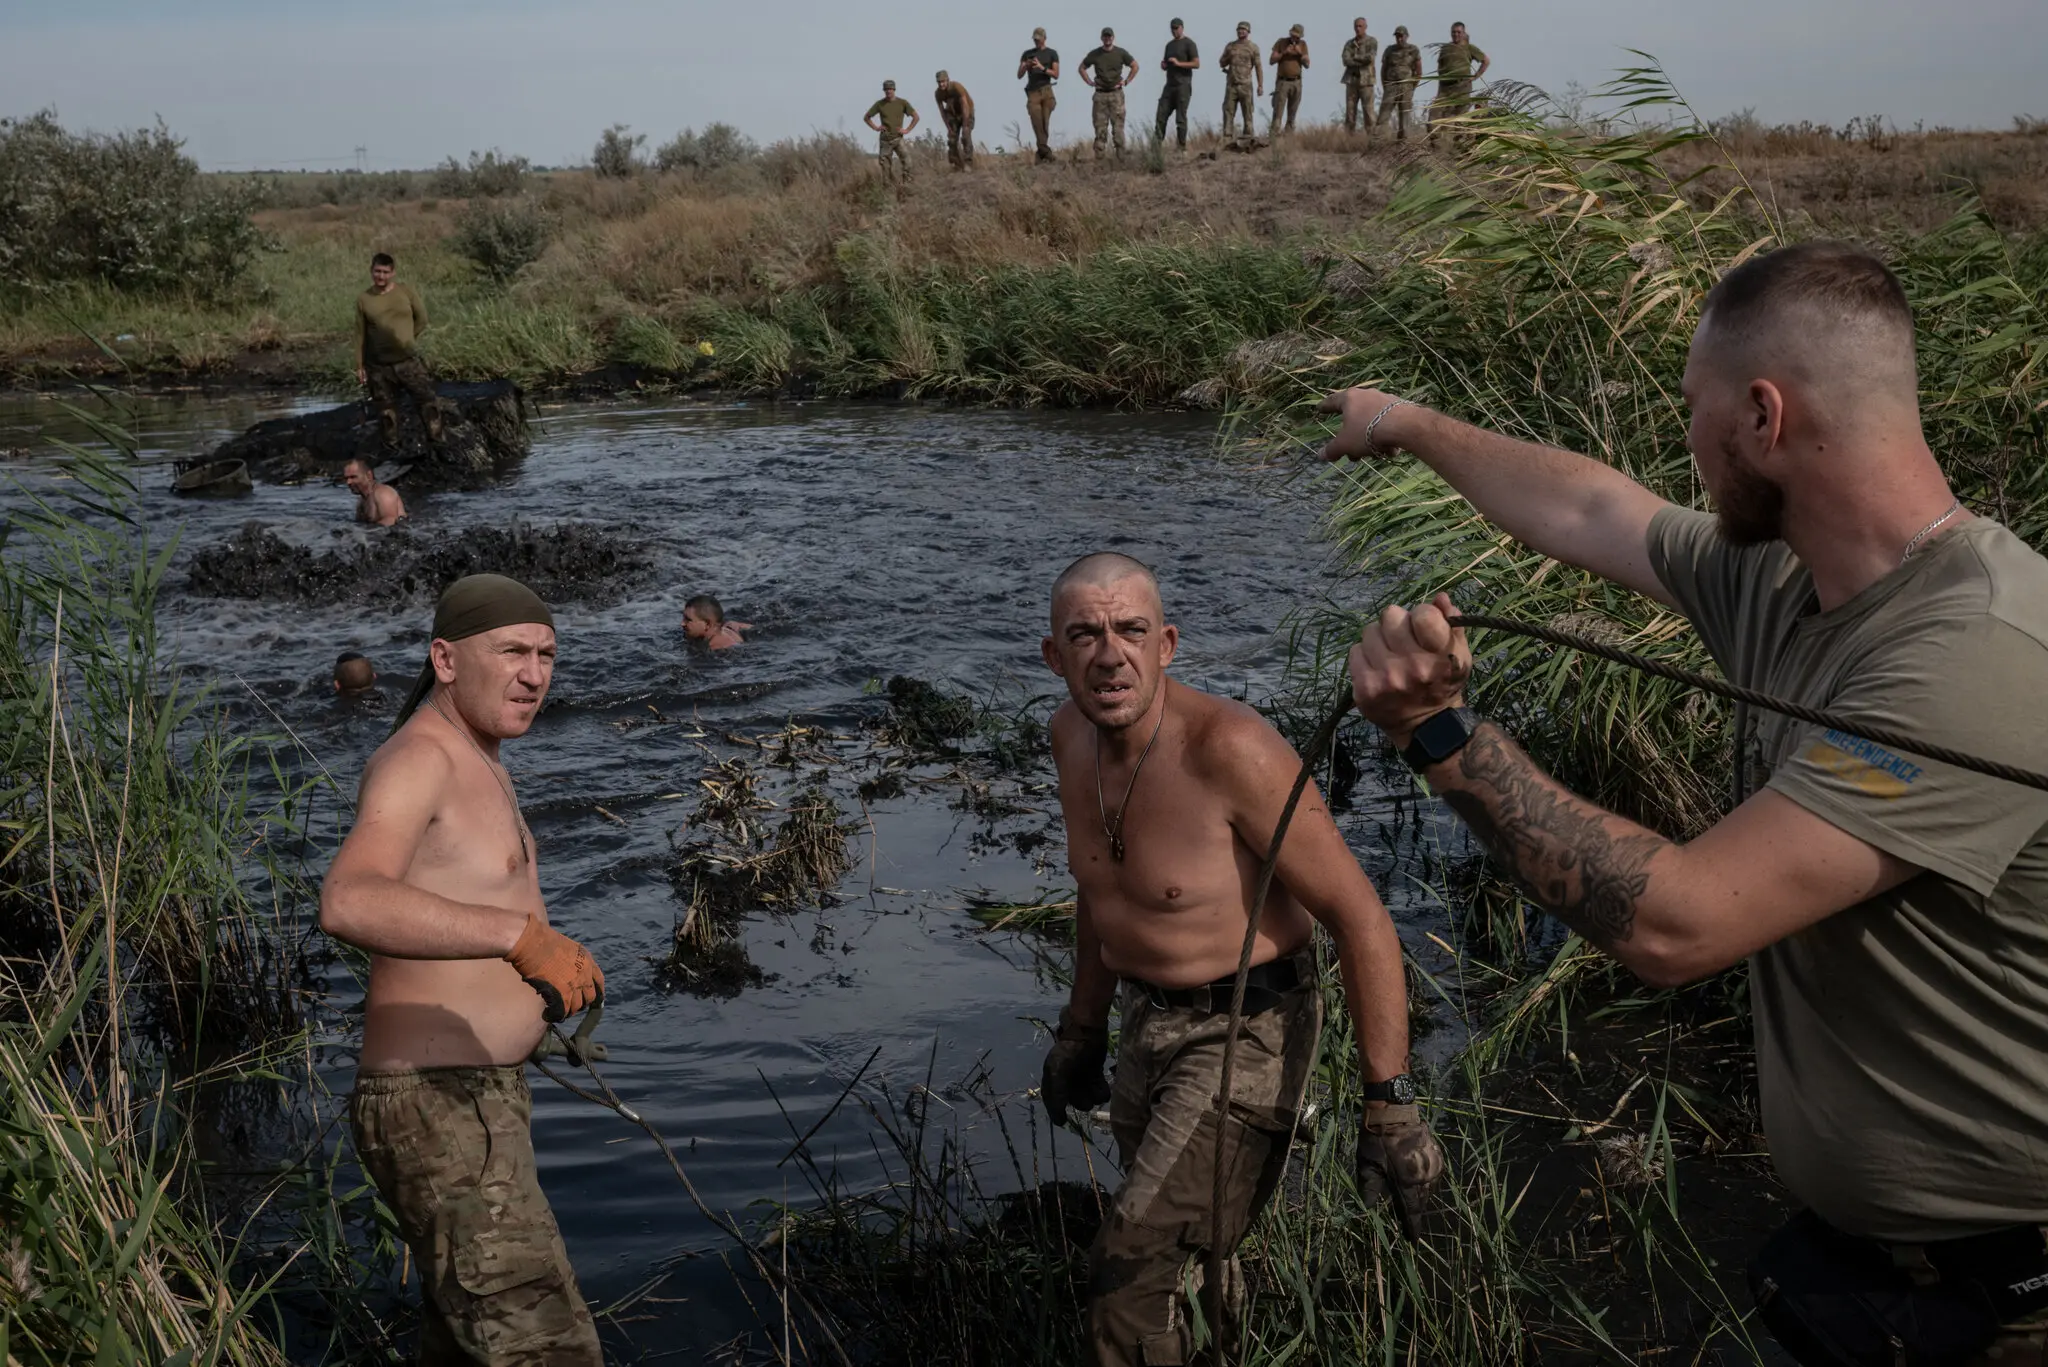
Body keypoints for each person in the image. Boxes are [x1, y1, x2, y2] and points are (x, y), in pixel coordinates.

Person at [1325, 242, 2048, 1362]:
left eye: (1693, 410)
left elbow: (1680, 921)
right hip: (1874, 1269)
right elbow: (1588, 507)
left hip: (2008, 1297)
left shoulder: (1978, 651)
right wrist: (1402, 422)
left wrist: (1440, 736)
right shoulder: (1791, 579)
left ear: (1762, 415)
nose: (1687, 443)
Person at [1038, 551, 1442, 1367]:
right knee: (1191, 1259)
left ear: (1167, 644)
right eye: (1085, 635)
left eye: (1130, 631)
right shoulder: (1069, 738)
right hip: (1147, 1021)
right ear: (1055, 655)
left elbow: (1360, 916)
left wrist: (1390, 1106)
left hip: (1248, 1033)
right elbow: (1099, 892)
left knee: (1128, 1274)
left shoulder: (1232, 749)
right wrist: (1082, 1028)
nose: (1109, 654)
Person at [321, 574, 605, 1366]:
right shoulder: (420, 759)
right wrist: (519, 938)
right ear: (445, 660)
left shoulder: (482, 757)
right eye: (512, 651)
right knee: (548, 1351)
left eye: (547, 654)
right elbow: (348, 898)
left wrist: (544, 977)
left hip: (475, 1101)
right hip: (439, 1105)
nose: (535, 674)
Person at [355, 252, 442, 451]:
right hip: (378, 365)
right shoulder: (364, 299)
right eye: (377, 271)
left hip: (407, 360)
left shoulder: (405, 292)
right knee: (386, 412)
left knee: (427, 402)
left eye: (385, 272)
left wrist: (408, 339)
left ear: (393, 273)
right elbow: (360, 334)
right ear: (371, 271)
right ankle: (392, 449)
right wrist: (359, 365)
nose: (381, 276)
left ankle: (437, 442)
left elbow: (422, 319)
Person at [1078, 28, 1139, 161]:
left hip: (1116, 95)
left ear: (1113, 37)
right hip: (1100, 95)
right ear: (1101, 38)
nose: (1107, 39)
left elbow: (1135, 66)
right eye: (1105, 36)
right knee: (1100, 129)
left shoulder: (1120, 53)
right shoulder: (1095, 54)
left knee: (1118, 129)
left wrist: (1126, 81)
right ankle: (1100, 161)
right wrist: (1089, 82)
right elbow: (1081, 68)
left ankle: (1121, 160)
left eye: (1109, 36)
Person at [1429, 20, 1489, 139]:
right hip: (1445, 89)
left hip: (1462, 87)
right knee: (1434, 116)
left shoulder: (1468, 48)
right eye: (1453, 32)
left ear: (1463, 33)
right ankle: (1437, 144)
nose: (1456, 34)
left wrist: (1475, 76)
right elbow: (1440, 66)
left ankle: (1459, 146)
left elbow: (1486, 61)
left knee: (1460, 120)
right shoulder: (1445, 48)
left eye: (1458, 32)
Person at [1153, 18, 1200, 151]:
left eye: (1176, 28)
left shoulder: (1189, 44)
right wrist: (1164, 65)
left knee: (1180, 118)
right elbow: (1166, 63)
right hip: (1169, 85)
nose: (1174, 31)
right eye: (1172, 28)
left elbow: (1196, 63)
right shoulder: (1169, 45)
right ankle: (1156, 148)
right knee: (1161, 115)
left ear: (1182, 28)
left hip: (1183, 85)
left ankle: (1181, 147)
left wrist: (1179, 63)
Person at [863, 80, 919, 183]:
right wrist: (876, 127)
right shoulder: (880, 104)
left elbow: (916, 117)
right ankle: (888, 188)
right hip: (885, 140)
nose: (888, 91)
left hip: (898, 139)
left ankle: (907, 185)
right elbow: (866, 117)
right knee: (885, 168)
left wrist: (907, 130)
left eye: (890, 89)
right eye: (886, 89)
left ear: (894, 89)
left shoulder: (902, 103)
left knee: (907, 162)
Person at [1019, 27, 1061, 163]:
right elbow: (1019, 75)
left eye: (1039, 39)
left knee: (1044, 124)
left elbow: (1056, 74)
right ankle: (1046, 153)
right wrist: (1026, 66)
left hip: (1047, 90)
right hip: (1033, 92)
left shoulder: (1052, 53)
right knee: (1037, 123)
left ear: (1044, 38)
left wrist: (1042, 67)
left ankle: (1041, 155)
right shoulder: (1027, 54)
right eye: (1035, 39)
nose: (1037, 42)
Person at [1218, 21, 1263, 146]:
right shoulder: (1230, 46)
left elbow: (1258, 67)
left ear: (1248, 32)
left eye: (1243, 29)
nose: (1241, 31)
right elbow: (1221, 63)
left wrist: (1260, 85)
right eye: (1239, 29)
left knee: (1247, 113)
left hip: (1246, 85)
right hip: (1232, 85)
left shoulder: (1253, 47)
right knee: (1228, 111)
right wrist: (1229, 57)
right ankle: (1227, 139)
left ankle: (1248, 140)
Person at [1378, 26, 1421, 141]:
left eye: (1401, 36)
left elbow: (1419, 71)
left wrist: (1412, 87)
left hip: (1406, 85)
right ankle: (1378, 142)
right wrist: (1386, 85)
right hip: (1391, 85)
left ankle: (1403, 142)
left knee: (1405, 116)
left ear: (1407, 36)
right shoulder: (1389, 50)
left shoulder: (1413, 50)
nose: (1399, 39)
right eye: (1397, 36)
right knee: (1383, 115)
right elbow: (1383, 69)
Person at [1268, 24, 1311, 134]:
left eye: (1297, 37)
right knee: (1278, 112)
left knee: (1292, 113)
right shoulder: (1281, 42)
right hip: (1282, 82)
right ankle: (1274, 136)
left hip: (1296, 82)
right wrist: (1284, 53)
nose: (1294, 38)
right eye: (1293, 35)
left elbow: (1307, 64)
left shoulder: (1303, 44)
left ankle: (1289, 137)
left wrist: (1300, 53)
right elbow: (1271, 60)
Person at [343, 456, 406, 527]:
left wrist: (366, 531)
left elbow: (391, 521)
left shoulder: (384, 493)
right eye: (346, 478)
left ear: (369, 475)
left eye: (353, 477)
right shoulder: (361, 502)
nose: (348, 482)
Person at [1341, 16, 1379, 134]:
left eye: (1360, 26)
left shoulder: (1372, 41)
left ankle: (1371, 138)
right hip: (1351, 80)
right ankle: (1348, 138)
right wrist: (1359, 61)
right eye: (1356, 26)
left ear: (1365, 27)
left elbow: (1369, 58)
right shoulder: (1349, 43)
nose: (1358, 28)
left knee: (1368, 112)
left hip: (1366, 81)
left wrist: (1355, 58)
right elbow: (1345, 60)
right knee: (1350, 112)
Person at [934, 70, 976, 171]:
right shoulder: (938, 93)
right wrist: (948, 128)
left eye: (943, 81)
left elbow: (965, 105)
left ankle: (968, 163)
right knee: (952, 139)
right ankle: (957, 164)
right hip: (952, 113)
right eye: (939, 82)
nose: (941, 84)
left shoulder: (956, 87)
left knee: (965, 136)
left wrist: (965, 125)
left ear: (947, 80)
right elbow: (942, 112)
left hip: (966, 112)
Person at [682, 594, 748, 651]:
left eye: (688, 620)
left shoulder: (720, 649)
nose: (682, 623)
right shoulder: (728, 627)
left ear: (707, 624)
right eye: (684, 618)